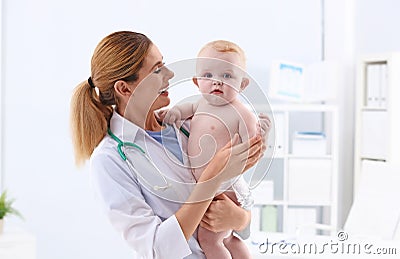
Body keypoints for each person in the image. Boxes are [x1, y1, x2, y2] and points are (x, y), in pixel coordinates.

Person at [70, 31, 267, 259]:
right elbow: (156, 249)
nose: (170, 74)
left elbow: (241, 207)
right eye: (157, 69)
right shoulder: (110, 160)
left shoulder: (188, 125)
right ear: (125, 89)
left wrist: (240, 218)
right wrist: (211, 178)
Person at [163, 40, 264, 259]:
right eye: (208, 75)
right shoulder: (199, 104)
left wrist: (259, 134)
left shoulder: (241, 113)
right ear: (196, 81)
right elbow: (182, 110)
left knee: (210, 239)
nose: (217, 81)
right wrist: (172, 114)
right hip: (210, 187)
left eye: (227, 76)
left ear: (243, 84)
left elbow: (252, 145)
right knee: (227, 238)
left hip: (226, 188)